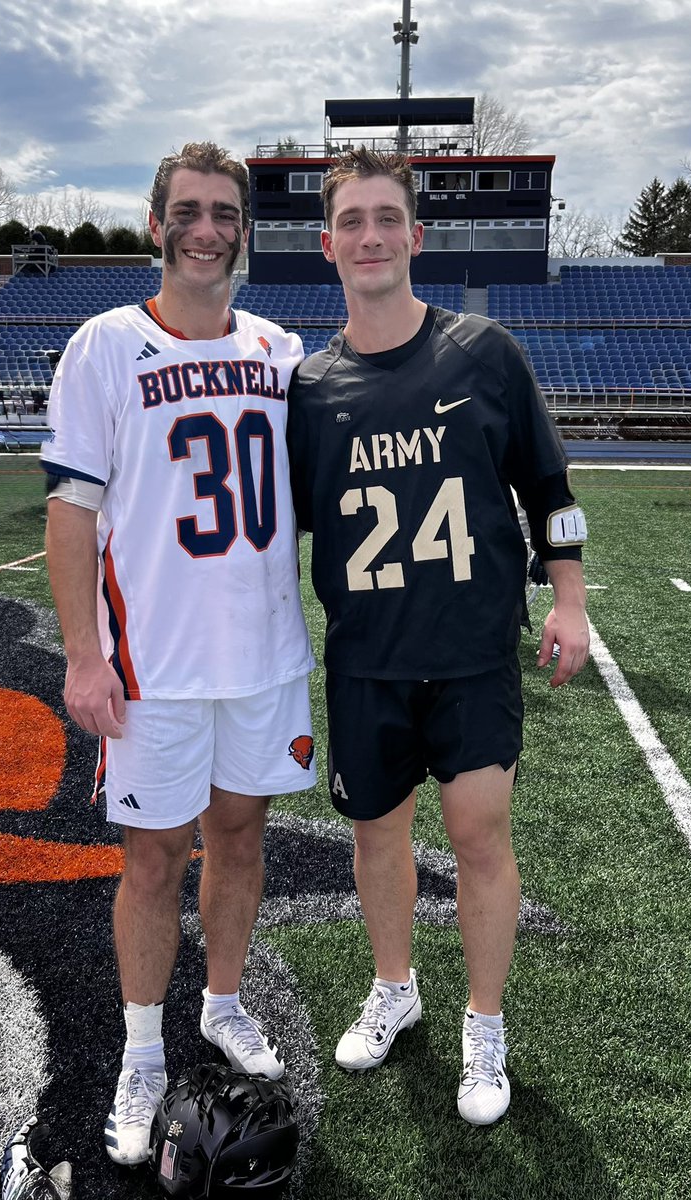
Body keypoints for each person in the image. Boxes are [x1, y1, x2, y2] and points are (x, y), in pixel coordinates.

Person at [287, 148, 589, 1126]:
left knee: (476, 836)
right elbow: (280, 526)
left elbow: (551, 491)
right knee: (376, 835)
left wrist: (571, 601)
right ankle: (394, 986)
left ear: (414, 237)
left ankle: (484, 1023)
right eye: (351, 222)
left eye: (386, 218)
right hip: (366, 655)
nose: (369, 236)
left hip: (468, 652)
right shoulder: (309, 387)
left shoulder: (483, 353)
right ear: (327, 243)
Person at [41, 142, 316, 1167]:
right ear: (156, 223)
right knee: (152, 859)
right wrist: (82, 655)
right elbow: (71, 513)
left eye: (223, 214)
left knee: (240, 841)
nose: (206, 230)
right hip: (150, 665)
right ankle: (144, 1050)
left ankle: (224, 1004)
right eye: (187, 211)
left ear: (243, 228)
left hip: (262, 658)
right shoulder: (105, 346)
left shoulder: (280, 350)